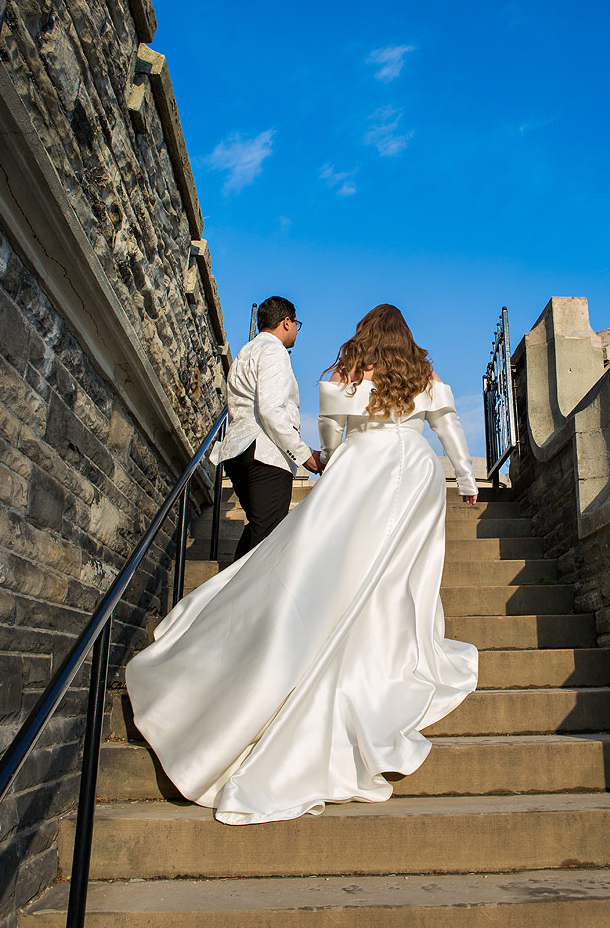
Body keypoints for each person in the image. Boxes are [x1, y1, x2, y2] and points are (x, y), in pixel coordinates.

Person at [126, 304, 480, 825]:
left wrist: (334, 463)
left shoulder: (344, 373)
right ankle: (396, 650)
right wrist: (467, 479)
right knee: (403, 573)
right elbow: (446, 422)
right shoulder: (422, 372)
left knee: (340, 566)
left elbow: (331, 428)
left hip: (363, 467)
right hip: (417, 469)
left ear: (362, 334)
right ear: (404, 336)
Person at [209, 296, 323, 563]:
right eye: (296, 323)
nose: (296, 329)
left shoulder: (245, 352)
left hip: (237, 452)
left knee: (259, 530)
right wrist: (304, 454)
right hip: (264, 455)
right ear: (286, 322)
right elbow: (271, 410)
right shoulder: (274, 352)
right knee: (267, 541)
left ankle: (229, 593)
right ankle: (235, 601)